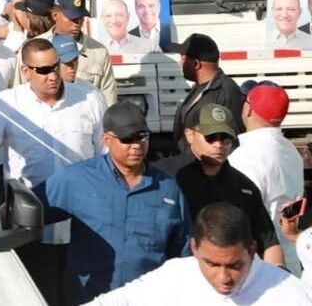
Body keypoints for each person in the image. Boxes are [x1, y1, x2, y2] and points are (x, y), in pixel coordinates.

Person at [0, 38, 106, 303]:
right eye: (43, 70)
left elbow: (106, 158)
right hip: (29, 231)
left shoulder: (90, 99)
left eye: (55, 66)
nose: (53, 76)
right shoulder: (5, 104)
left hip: (83, 229)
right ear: (25, 70)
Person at [34, 102, 190, 305]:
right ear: (106, 139)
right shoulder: (76, 180)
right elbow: (27, 211)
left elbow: (183, 252)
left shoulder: (168, 189)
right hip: (88, 298)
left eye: (142, 137)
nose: (136, 145)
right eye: (127, 139)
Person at [86, 202, 311, 305]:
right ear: (194, 248)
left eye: (234, 265)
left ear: (252, 250)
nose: (224, 279)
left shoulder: (290, 296)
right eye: (212, 264)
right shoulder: (175, 275)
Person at [157, 104, 284, 266]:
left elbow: (269, 242)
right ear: (190, 135)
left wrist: (278, 280)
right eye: (210, 137)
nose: (218, 145)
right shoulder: (165, 177)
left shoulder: (244, 188)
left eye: (225, 138)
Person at [229, 81, 303, 273]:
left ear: (249, 109)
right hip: (291, 259)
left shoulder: (244, 158)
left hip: (260, 267)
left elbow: (239, 219)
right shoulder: (290, 150)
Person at [12, 0, 117, 107]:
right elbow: (19, 92)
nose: (77, 23)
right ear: (55, 15)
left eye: (80, 18)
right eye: (71, 18)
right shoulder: (32, 49)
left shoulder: (98, 52)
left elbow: (108, 99)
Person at [169, 33, 244, 152]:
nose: (180, 63)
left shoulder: (225, 91)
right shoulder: (199, 88)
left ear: (196, 64)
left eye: (183, 58)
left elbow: (234, 139)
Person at [52, 33, 103, 99]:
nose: (72, 66)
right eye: (67, 61)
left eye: (75, 59)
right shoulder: (39, 94)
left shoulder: (92, 93)